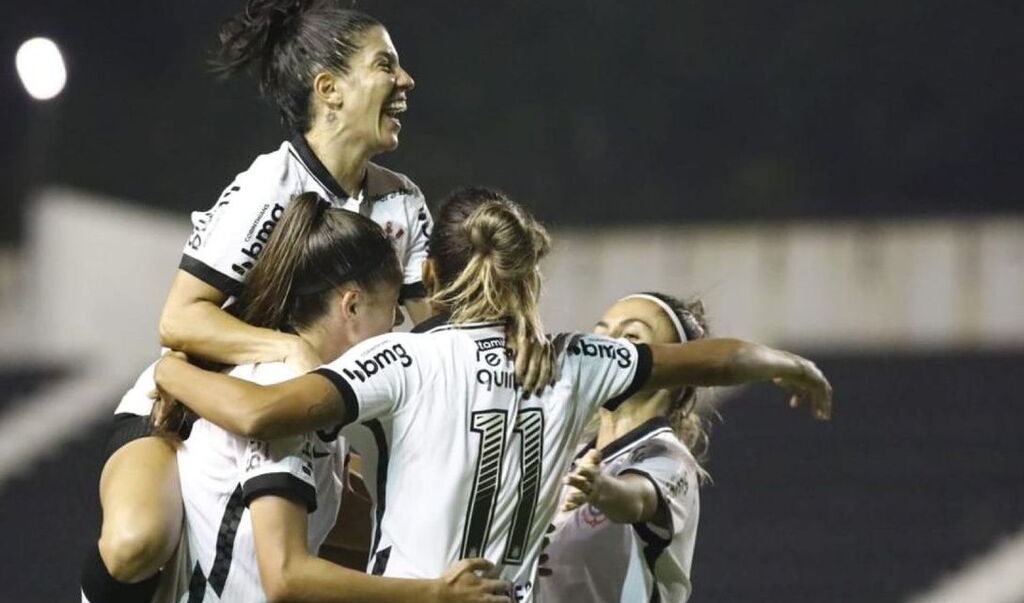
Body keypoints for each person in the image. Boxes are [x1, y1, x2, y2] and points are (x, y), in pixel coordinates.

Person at [153, 186, 833, 602]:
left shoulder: (398, 358)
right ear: (528, 274)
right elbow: (709, 359)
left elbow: (258, 410)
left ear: (429, 273)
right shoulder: (573, 360)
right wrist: (786, 365)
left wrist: (169, 371)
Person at [81, 0, 450, 603]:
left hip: (297, 427)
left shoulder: (403, 205)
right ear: (329, 89)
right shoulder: (268, 186)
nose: (408, 79)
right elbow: (181, 319)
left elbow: (433, 340)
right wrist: (289, 351)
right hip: (189, 413)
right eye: (385, 64)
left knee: (362, 547)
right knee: (135, 540)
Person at [86, 193, 511, 603]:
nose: (398, 320)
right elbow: (286, 577)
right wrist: (434, 594)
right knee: (135, 542)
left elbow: (360, 530)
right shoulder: (282, 386)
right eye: (391, 306)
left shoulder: (314, 393)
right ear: (352, 305)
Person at [540, 292, 713, 603]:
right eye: (602, 333)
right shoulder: (563, 452)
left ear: (672, 371)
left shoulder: (667, 459)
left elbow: (635, 499)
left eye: (631, 336)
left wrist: (603, 488)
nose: (606, 348)